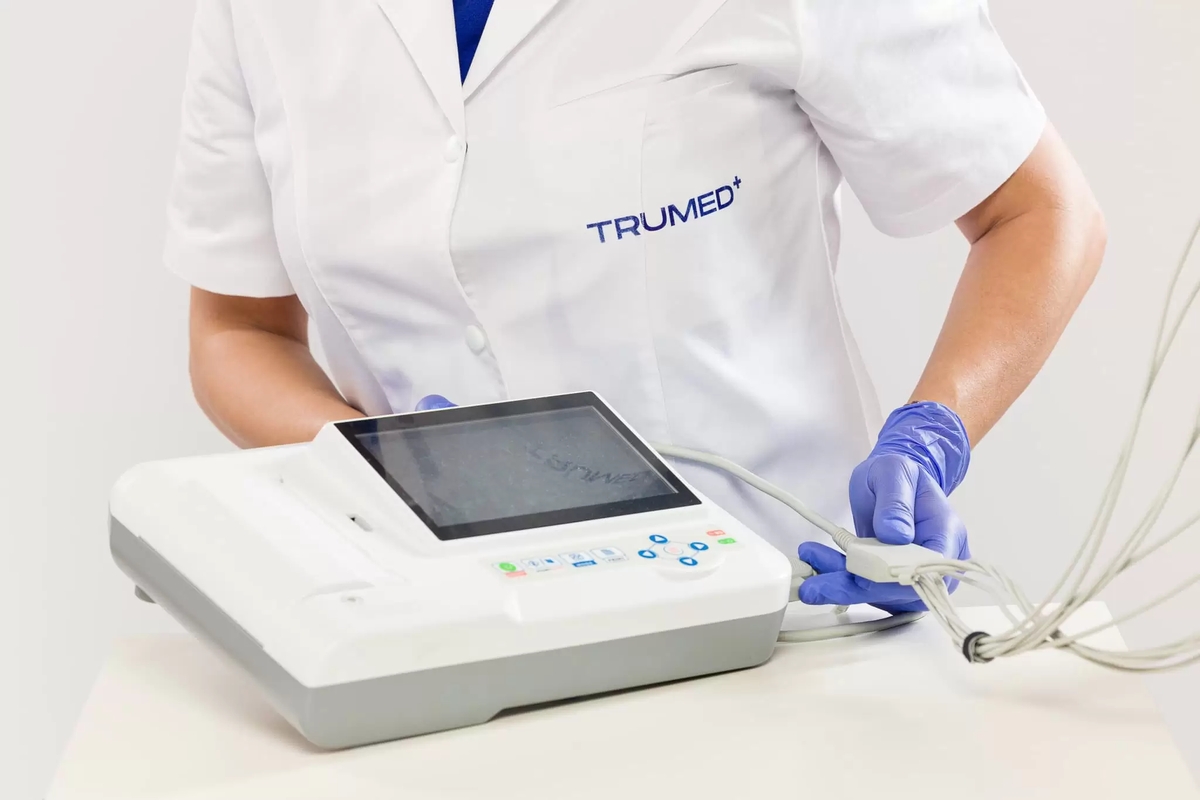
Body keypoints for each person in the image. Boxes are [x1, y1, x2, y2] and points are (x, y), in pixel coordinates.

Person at [169, 0, 1106, 613]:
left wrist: (930, 437)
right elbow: (237, 328)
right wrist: (383, 464)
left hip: (784, 606)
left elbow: (1040, 212)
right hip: (439, 626)